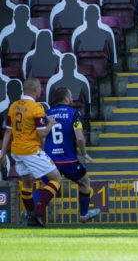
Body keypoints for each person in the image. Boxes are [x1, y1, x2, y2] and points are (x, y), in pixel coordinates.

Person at [0, 77, 59, 227]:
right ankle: (37, 212)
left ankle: (32, 219)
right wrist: (51, 124)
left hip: (16, 151)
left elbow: (7, 132)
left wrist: (2, 153)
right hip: (30, 150)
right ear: (35, 89)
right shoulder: (36, 108)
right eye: (40, 88)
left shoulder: (13, 107)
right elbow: (42, 134)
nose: (41, 90)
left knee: (27, 185)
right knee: (56, 179)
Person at [43, 87, 100, 222]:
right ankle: (84, 215)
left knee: (44, 188)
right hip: (68, 160)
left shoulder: (47, 113)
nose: (72, 99)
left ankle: (31, 212)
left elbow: (42, 137)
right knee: (85, 181)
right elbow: (79, 137)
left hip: (50, 161)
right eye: (70, 96)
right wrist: (84, 153)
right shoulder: (74, 113)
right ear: (66, 98)